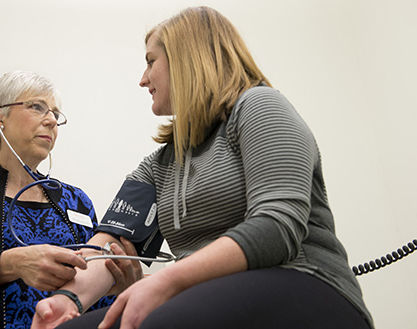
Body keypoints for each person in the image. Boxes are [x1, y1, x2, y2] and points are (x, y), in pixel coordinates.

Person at [32, 6, 374, 329]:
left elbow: (276, 225)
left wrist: (167, 281)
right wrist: (66, 299)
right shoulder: (159, 164)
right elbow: (114, 244)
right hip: (210, 297)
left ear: (186, 59)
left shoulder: (259, 106)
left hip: (309, 284)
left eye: (151, 61)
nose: (142, 78)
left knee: (157, 320)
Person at [0, 71, 142, 329]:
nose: (51, 121)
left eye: (55, 114)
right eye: (38, 107)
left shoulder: (76, 201)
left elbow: (91, 300)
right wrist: (14, 263)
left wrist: (116, 288)